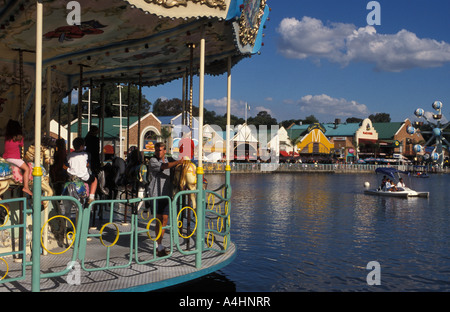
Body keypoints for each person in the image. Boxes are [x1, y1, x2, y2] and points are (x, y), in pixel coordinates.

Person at [148, 142, 183, 257]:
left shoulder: (169, 159)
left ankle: (160, 244)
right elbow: (164, 167)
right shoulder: (153, 161)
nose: (159, 152)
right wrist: (178, 162)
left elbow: (177, 168)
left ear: (165, 151)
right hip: (156, 194)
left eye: (161, 150)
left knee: (164, 219)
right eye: (157, 150)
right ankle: (159, 245)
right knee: (158, 219)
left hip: (166, 194)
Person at [3, 119, 32, 196]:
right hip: (15, 158)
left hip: (6, 158)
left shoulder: (7, 137)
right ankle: (26, 187)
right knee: (27, 169)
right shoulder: (19, 138)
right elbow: (21, 145)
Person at [64, 137, 97, 204]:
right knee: (94, 180)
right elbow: (88, 164)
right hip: (83, 176)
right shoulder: (86, 154)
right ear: (82, 146)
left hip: (72, 176)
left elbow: (65, 165)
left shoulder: (69, 155)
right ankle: (91, 197)